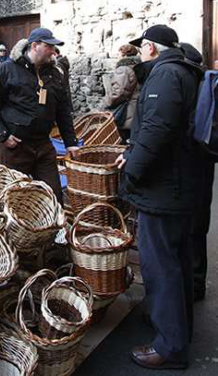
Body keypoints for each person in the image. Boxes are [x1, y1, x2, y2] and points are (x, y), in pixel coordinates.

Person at [118, 25, 202, 370]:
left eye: (143, 48)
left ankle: (170, 347)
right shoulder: (184, 71)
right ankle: (177, 330)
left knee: (160, 266)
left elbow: (157, 130)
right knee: (177, 261)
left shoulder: (165, 76)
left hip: (164, 188)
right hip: (179, 186)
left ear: (151, 47)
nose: (140, 53)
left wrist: (132, 172)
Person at [0, 27, 79, 201]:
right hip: (16, 147)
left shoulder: (55, 74)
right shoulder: (6, 70)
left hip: (43, 146)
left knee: (53, 197)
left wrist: (71, 142)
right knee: (15, 199)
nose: (53, 51)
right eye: (49, 46)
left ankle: (54, 228)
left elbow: (63, 110)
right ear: (35, 46)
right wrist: (3, 135)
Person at [181, 42, 215, 302]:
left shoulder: (193, 87)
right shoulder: (207, 86)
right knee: (198, 226)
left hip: (192, 166)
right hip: (205, 164)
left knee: (190, 225)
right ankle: (197, 282)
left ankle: (191, 285)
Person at [103, 43, 141, 142]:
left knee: (121, 141)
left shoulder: (123, 69)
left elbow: (118, 92)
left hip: (126, 112)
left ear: (123, 54)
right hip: (136, 109)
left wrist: (107, 102)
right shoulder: (139, 67)